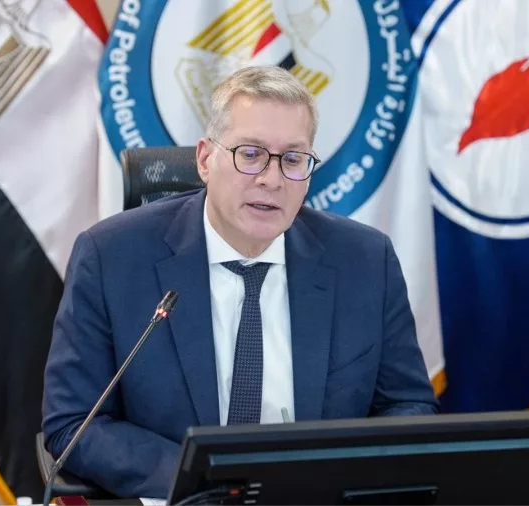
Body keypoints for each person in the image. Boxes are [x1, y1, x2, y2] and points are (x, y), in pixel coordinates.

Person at [41, 65, 438, 499]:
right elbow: (74, 423)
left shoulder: (364, 261)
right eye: (250, 154)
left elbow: (408, 406)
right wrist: (206, 481)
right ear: (205, 159)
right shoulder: (112, 257)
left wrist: (331, 476)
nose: (271, 179)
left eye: (293, 160)